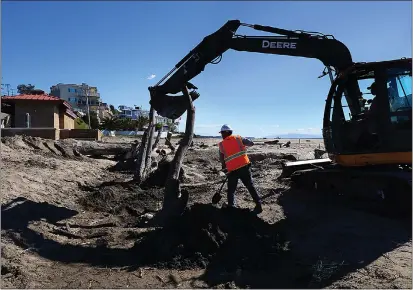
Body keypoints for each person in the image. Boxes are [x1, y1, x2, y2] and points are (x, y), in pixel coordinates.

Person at [216, 124, 263, 214]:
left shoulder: (221, 145)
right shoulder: (238, 138)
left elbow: (222, 160)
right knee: (250, 186)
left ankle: (231, 206)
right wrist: (242, 147)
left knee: (231, 190)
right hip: (244, 167)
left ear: (225, 133)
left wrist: (225, 169)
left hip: (232, 170)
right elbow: (251, 143)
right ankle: (259, 205)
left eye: (222, 133)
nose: (221, 135)